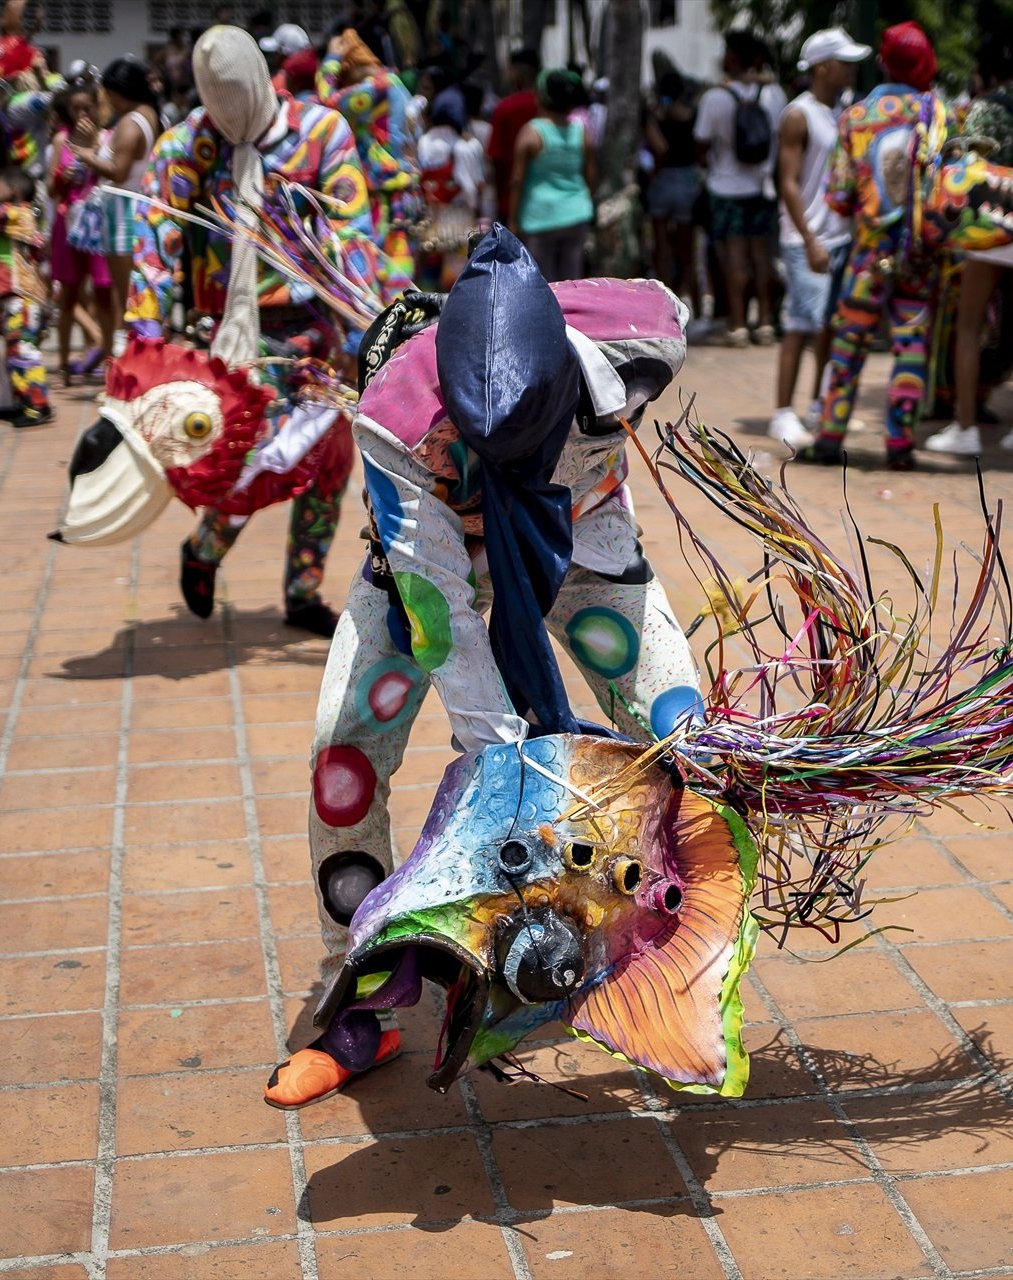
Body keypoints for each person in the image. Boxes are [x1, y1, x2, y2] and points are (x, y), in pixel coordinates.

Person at [267, 227, 700, 1109]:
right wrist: (513, 777)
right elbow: (446, 624)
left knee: (683, 735)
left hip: (585, 544)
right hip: (434, 571)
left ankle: (671, 966)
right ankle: (367, 1000)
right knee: (341, 761)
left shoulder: (646, 337)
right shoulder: (395, 422)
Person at [123, 25, 385, 636]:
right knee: (255, 459)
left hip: (317, 326)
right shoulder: (185, 148)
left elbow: (351, 234)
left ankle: (302, 590)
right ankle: (207, 547)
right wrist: (143, 347)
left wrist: (358, 337)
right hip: (233, 336)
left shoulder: (322, 134)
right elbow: (153, 252)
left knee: (330, 459)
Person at [806, 21, 948, 470]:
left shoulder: (856, 117)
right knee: (911, 347)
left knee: (848, 345)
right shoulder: (937, 112)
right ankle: (900, 444)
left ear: (884, 62)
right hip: (918, 256)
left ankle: (830, 437)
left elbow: (839, 197)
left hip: (868, 255)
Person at [926, 22, 1013, 460]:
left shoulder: (987, 107)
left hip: (999, 219)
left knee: (968, 324)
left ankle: (965, 427)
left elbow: (966, 164)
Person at [768, 27, 867, 454]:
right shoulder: (798, 115)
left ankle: (818, 404)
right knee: (801, 324)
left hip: (838, 235)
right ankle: (782, 411)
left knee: (829, 325)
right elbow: (787, 183)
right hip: (806, 236)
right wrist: (808, 239)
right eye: (844, 62)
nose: (851, 69)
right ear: (823, 67)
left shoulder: (841, 111)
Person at [694, 32, 785, 347]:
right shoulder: (773, 95)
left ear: (733, 58)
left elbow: (701, 144)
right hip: (762, 187)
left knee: (734, 259)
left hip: (725, 188)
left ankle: (737, 324)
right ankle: (764, 323)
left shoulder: (715, 98)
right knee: (761, 257)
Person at [66, 56, 161, 358]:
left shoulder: (132, 123)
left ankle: (133, 363)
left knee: (128, 298)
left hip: (122, 213)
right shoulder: (147, 114)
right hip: (130, 208)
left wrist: (82, 153)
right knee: (134, 296)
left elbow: (118, 171)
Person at [318, 29, 421, 300]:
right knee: (394, 262)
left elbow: (328, 102)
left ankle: (397, 329)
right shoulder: (393, 85)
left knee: (388, 266)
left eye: (343, 75)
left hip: (386, 191)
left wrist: (330, 60)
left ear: (349, 67)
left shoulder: (378, 86)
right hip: (396, 188)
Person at [0, 167, 52, 427]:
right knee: (14, 352)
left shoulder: (20, 215)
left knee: (24, 352)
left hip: (23, 298)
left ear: (13, 192)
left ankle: (38, 405)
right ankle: (22, 401)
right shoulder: (14, 219)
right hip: (10, 297)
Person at [508, 68, 595, 283]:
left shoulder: (532, 132)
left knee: (544, 286)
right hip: (576, 214)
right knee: (572, 283)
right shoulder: (580, 131)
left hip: (540, 217)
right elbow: (591, 173)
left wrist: (512, 220)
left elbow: (517, 180)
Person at [48, 86, 108, 384]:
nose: (82, 115)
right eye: (76, 110)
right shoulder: (62, 140)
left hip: (98, 224)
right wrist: (63, 177)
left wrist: (91, 152)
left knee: (102, 290)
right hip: (67, 222)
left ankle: (97, 353)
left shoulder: (106, 139)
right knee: (68, 293)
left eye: (88, 108)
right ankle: (62, 363)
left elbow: (114, 174)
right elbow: (50, 190)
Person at [644, 51, 702, 311]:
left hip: (663, 181)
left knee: (662, 246)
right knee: (687, 246)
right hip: (687, 181)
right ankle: (693, 299)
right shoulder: (693, 114)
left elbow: (660, 149)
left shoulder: (655, 116)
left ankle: (664, 299)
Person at [416, 87, 484, 289]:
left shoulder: (424, 141)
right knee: (455, 275)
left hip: (432, 215)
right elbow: (470, 186)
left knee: (430, 269)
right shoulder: (463, 145)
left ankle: (429, 313)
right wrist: (475, 210)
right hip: (458, 218)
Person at [487, 47, 541, 203]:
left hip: (510, 199)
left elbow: (496, 158)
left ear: (519, 73)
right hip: (547, 203)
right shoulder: (550, 109)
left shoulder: (505, 108)